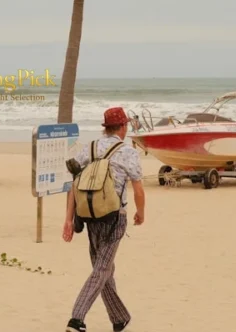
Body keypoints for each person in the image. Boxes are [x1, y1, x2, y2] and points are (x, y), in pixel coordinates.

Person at [62, 106, 145, 332]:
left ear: (106, 128)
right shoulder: (128, 152)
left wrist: (68, 219)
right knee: (101, 270)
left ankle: (119, 318)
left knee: (104, 268)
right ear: (123, 127)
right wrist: (141, 213)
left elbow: (74, 185)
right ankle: (76, 319)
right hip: (115, 217)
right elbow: (138, 189)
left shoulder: (89, 148)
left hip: (90, 217)